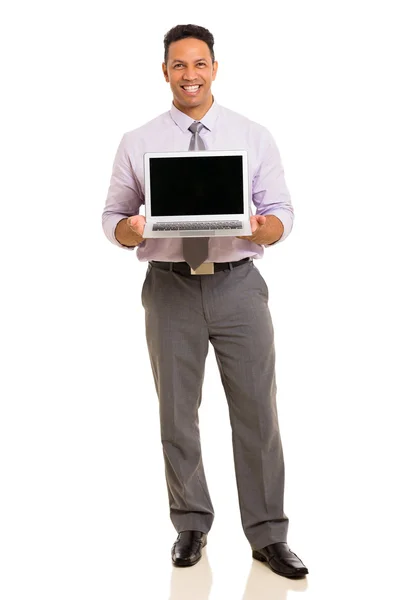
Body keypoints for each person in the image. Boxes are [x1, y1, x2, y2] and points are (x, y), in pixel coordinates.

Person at [102, 23, 308, 579]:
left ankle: (268, 535)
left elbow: (282, 210)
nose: (189, 75)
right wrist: (131, 229)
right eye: (178, 65)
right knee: (177, 413)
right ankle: (190, 524)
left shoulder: (253, 134)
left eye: (199, 64)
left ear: (214, 68)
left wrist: (267, 229)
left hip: (238, 284)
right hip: (169, 285)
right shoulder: (138, 141)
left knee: (257, 412)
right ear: (165, 72)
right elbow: (111, 220)